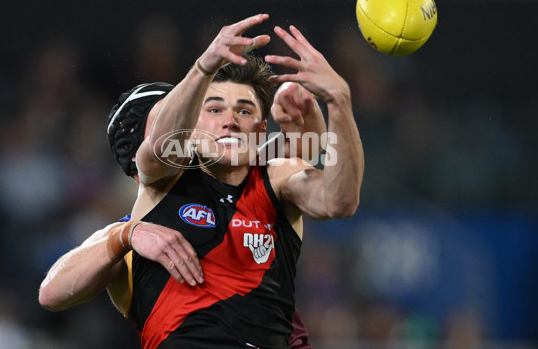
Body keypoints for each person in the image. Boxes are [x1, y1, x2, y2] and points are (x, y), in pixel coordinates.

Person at [119, 13, 364, 348]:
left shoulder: (277, 178)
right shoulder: (163, 176)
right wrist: (204, 66)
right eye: (215, 109)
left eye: (245, 111)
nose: (231, 121)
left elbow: (340, 201)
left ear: (262, 130)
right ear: (191, 127)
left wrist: (340, 103)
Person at [39, 79, 324, 348]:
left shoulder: (250, 186)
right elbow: (51, 293)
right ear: (141, 149)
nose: (186, 126)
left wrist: (310, 110)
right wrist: (125, 235)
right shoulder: (131, 236)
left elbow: (304, 151)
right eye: (171, 118)